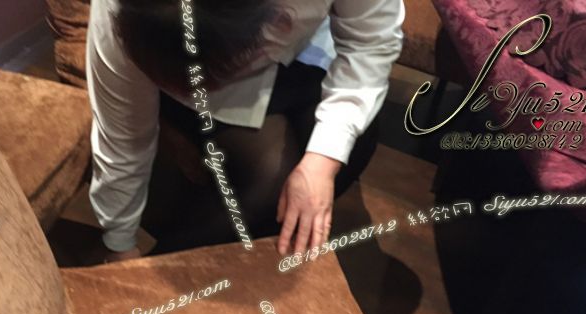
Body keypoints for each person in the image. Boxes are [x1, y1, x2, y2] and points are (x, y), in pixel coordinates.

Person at [87, 0, 404, 260]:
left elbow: (372, 42)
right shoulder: (124, 11)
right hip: (186, 57)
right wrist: (119, 243)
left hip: (299, 51)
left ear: (278, 21)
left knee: (355, 143)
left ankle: (233, 263)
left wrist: (322, 163)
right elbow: (122, 134)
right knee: (270, 176)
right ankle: (173, 270)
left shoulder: (274, 27)